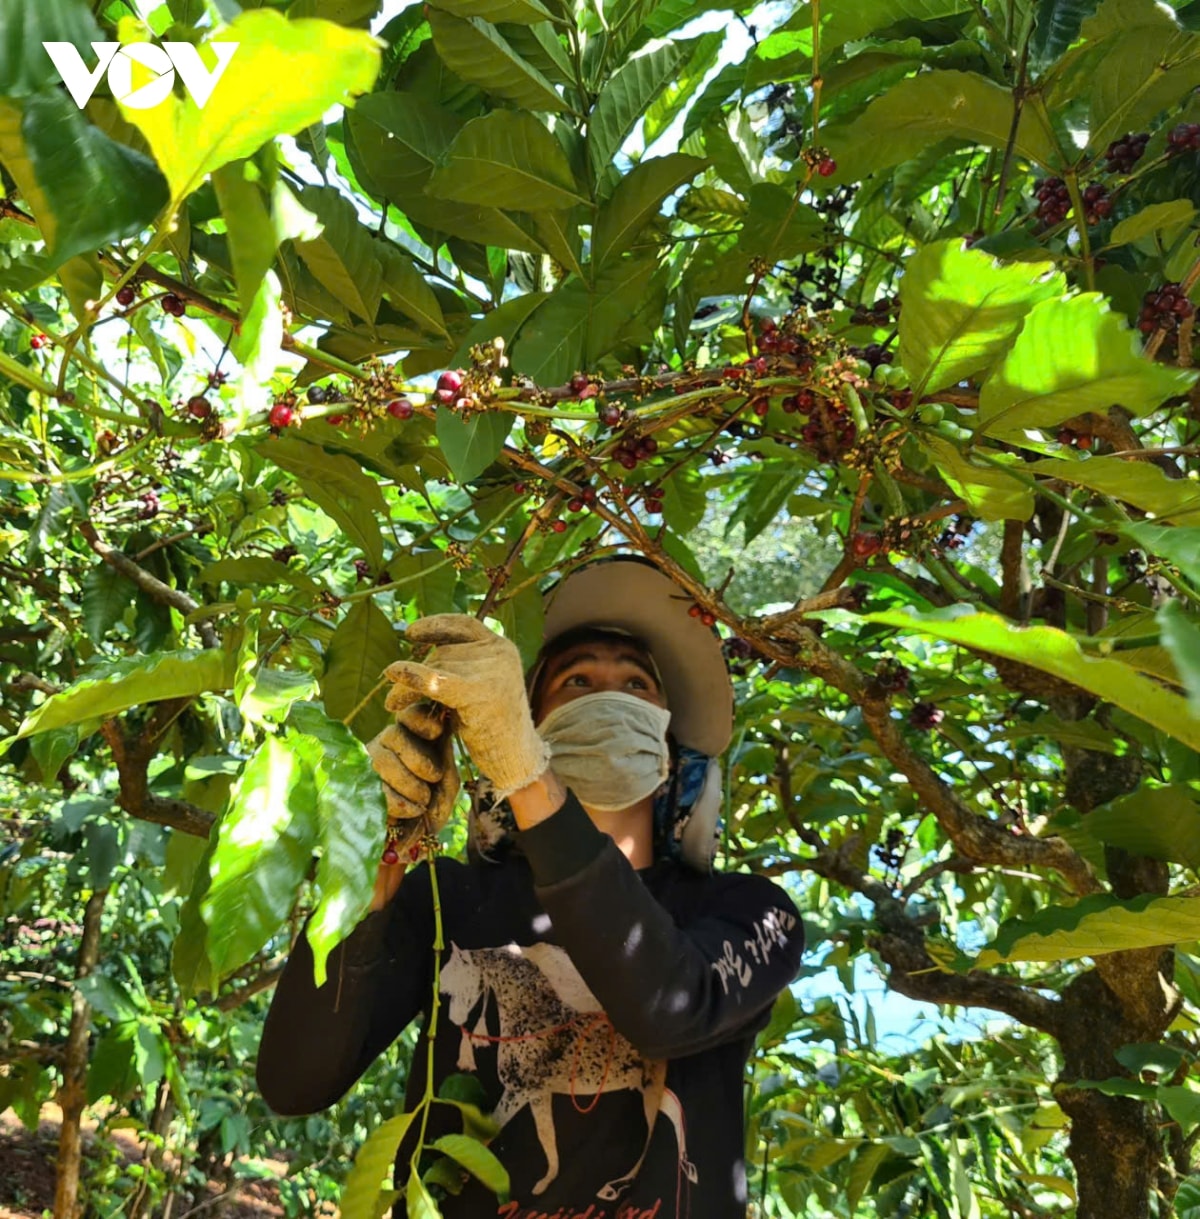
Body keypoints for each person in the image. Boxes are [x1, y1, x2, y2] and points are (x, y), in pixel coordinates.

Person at [257, 558, 805, 1218]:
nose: (609, 696)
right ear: (526, 725)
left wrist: (528, 779)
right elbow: (293, 1080)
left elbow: (668, 1005)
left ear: (669, 752)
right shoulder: (449, 899)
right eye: (577, 680)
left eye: (636, 684)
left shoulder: (750, 913)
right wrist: (368, 873)